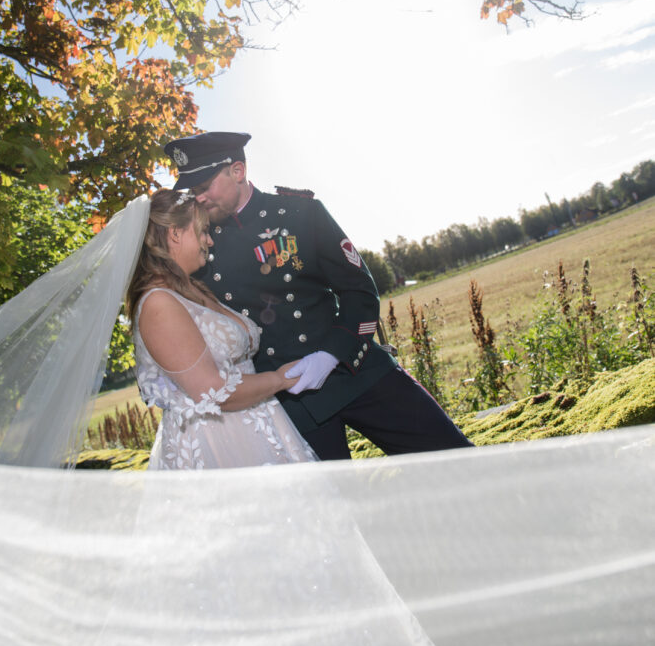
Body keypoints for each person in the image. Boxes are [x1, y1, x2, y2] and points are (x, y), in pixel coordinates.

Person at [163, 132, 473, 460]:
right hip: (286, 402)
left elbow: (358, 289)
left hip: (354, 368)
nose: (197, 198)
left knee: (454, 458)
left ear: (237, 171)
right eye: (192, 190)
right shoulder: (200, 244)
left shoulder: (300, 213)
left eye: (204, 186)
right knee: (334, 505)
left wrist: (331, 354)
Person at [126, 188, 317, 469]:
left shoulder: (192, 289)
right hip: (217, 444)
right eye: (202, 231)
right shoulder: (158, 304)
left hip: (258, 425)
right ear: (175, 234)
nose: (209, 240)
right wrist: (280, 379)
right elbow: (213, 390)